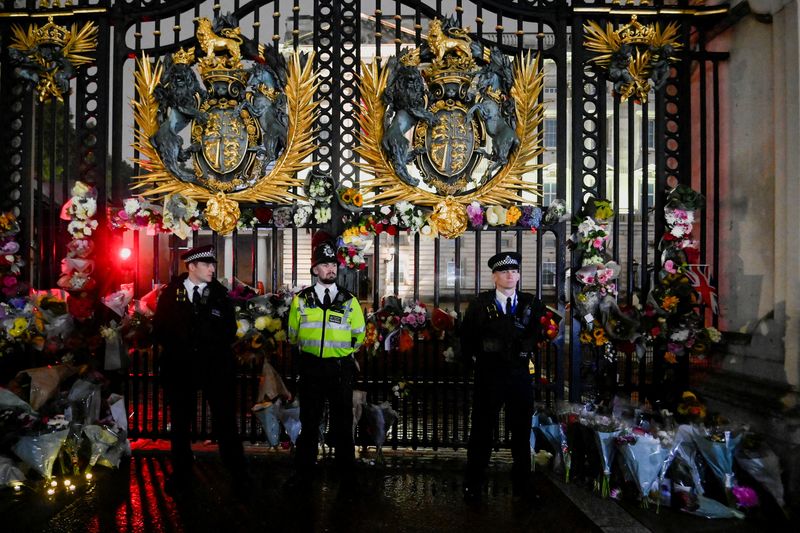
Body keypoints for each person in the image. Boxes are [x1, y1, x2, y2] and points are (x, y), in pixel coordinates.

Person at [152, 244, 250, 496]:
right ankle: (182, 473)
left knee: (225, 421)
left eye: (213, 265)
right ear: (192, 266)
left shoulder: (219, 294)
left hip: (215, 367)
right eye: (207, 265)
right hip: (180, 367)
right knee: (181, 424)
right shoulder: (171, 293)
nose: (212, 269)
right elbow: (160, 328)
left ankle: (238, 474)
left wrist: (207, 339)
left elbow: (229, 330)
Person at [461, 251, 546, 504]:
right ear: (494, 276)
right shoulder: (480, 304)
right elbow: (467, 338)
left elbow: (540, 332)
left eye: (514, 271)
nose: (511, 275)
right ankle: (474, 483)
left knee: (521, 431)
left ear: (519, 275)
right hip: (490, 375)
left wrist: (528, 344)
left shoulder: (531, 303)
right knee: (482, 430)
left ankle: (523, 483)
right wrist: (478, 356)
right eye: (504, 272)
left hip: (519, 375)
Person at [285, 234, 366, 490]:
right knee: (309, 423)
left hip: (340, 369)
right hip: (311, 368)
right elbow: (292, 334)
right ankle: (303, 475)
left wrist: (342, 354)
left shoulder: (349, 300)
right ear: (315, 269)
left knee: (343, 424)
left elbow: (359, 334)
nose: (331, 269)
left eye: (334, 265)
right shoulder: (302, 299)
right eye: (325, 265)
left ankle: (347, 477)